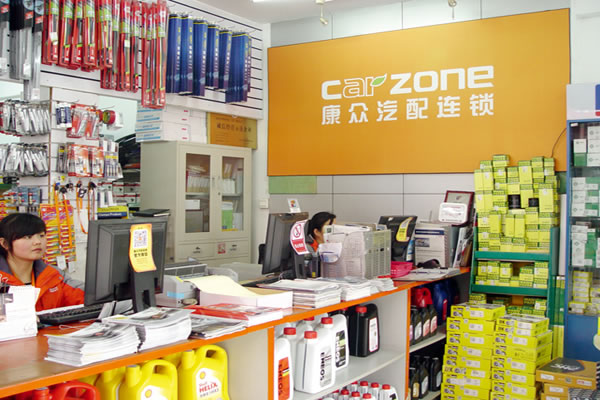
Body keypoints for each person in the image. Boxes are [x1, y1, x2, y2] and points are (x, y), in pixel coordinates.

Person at [0, 213, 84, 311]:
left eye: (41, 235)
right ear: (5, 243)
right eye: (28, 237)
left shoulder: (53, 275)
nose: (38, 242)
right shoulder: (2, 280)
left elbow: (84, 296)